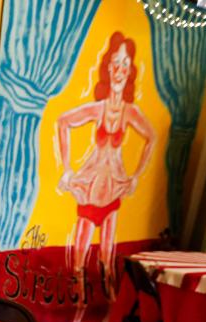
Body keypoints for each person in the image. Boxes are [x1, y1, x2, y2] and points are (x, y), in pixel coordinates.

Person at [56, 31, 155, 299]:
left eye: (125, 64)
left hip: (113, 186)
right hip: (91, 186)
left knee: (107, 255)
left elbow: (151, 137)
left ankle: (110, 303)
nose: (120, 70)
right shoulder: (98, 109)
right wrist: (67, 168)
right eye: (115, 63)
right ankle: (77, 302)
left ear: (130, 70)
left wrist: (136, 175)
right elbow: (63, 122)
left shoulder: (130, 112)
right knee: (79, 255)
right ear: (108, 68)